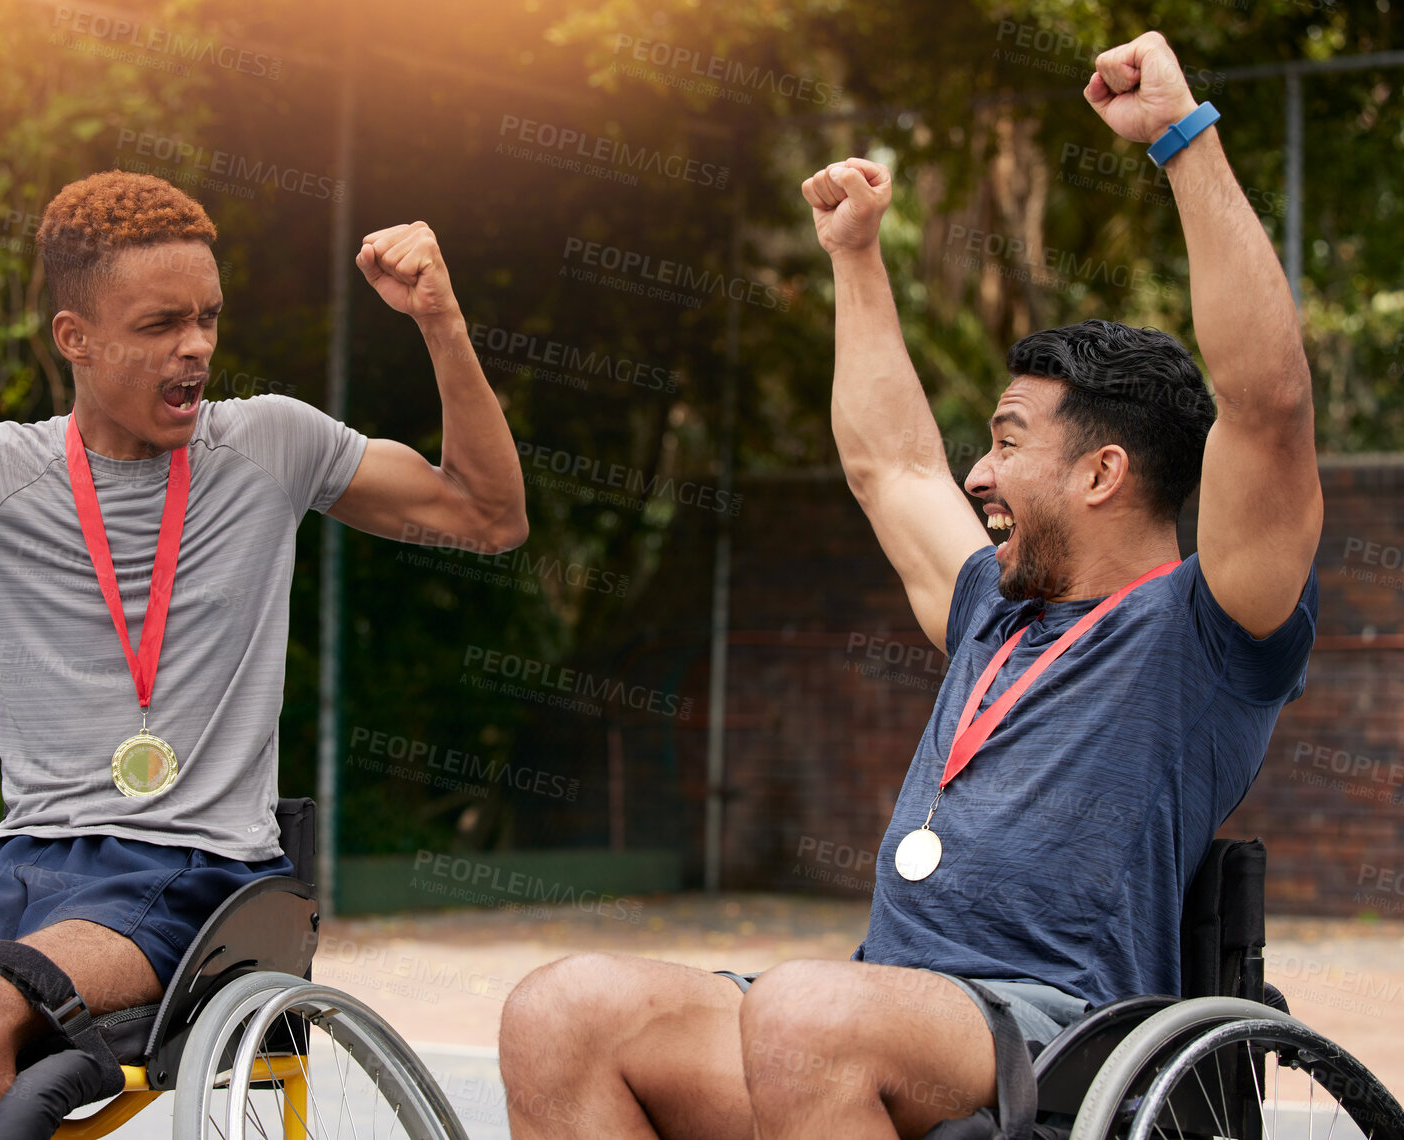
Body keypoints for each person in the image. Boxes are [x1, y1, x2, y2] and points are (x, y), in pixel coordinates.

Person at [498, 29, 1320, 1140]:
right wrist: (852, 255)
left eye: (1007, 441)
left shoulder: (1211, 626)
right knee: (562, 1012)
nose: (976, 470)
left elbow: (1265, 404)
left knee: (806, 1011)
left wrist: (1181, 139)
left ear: (1101, 472)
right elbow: (889, 464)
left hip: (1062, 1038)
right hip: (865, 1019)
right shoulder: (992, 603)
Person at [0, 170, 527, 1140]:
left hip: (199, 866)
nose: (197, 348)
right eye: (161, 324)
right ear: (73, 338)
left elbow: (486, 516)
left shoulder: (272, 446)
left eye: (208, 317)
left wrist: (440, 321)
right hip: (20, 861)